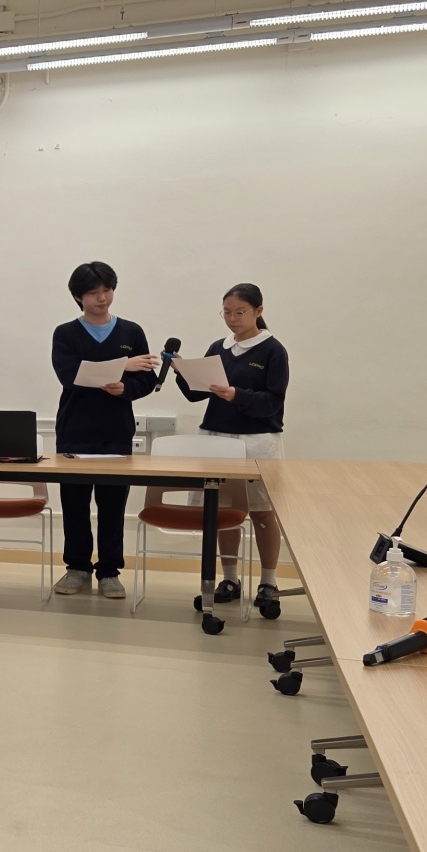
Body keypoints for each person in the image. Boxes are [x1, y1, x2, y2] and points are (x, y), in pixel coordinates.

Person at [173, 282, 289, 609]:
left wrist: (238, 395)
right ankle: (229, 578)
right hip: (216, 438)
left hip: (257, 442)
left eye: (240, 312)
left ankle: (268, 582)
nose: (233, 319)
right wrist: (182, 371)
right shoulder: (219, 346)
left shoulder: (273, 350)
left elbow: (273, 401)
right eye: (227, 312)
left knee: (262, 514)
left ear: (258, 311)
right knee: (223, 513)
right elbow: (197, 393)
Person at [50, 261, 160, 597]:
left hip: (116, 431)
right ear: (77, 296)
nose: (102, 298)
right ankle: (77, 567)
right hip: (75, 431)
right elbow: (71, 376)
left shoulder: (131, 332)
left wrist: (125, 387)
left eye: (107, 290)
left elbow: (147, 379)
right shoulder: (65, 333)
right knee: (75, 504)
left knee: (113, 505)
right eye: (93, 292)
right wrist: (123, 365)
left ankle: (110, 571)